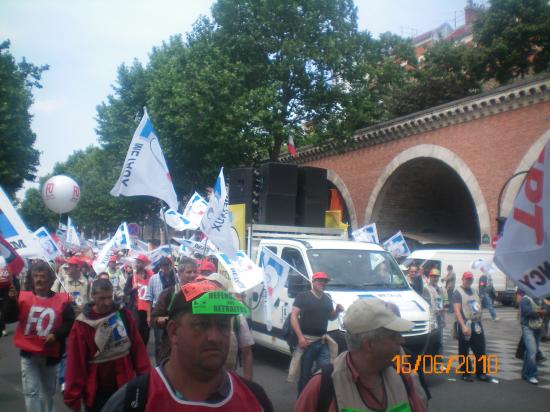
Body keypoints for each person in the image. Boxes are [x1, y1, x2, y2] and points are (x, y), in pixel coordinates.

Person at [101, 279, 273, 411]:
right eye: (201, 324)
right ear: (173, 332)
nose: (214, 337)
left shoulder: (256, 400)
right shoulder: (133, 401)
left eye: (222, 325)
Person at [295, 298, 428, 412]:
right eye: (394, 336)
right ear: (369, 345)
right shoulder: (322, 386)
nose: (402, 340)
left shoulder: (404, 377)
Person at [64, 279, 150, 411]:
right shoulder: (82, 324)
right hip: (97, 388)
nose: (107, 302)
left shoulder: (122, 314)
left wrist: (145, 377)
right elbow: (76, 362)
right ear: (93, 296)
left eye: (110, 297)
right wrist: (73, 396)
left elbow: (137, 347)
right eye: (102, 298)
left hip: (124, 381)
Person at [5, 260, 75, 412]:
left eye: (42, 276)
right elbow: (9, 317)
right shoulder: (22, 298)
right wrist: (10, 300)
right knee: (31, 392)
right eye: (35, 276)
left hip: (51, 355)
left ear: (50, 279)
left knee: (49, 392)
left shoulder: (62, 300)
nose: (39, 279)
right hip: (29, 355)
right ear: (31, 278)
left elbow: (70, 322)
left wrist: (56, 335)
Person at [290, 271, 344, 393]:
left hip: (322, 341)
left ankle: (316, 397)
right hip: (307, 341)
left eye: (325, 281)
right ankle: (302, 403)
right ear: (313, 282)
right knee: (304, 376)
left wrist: (337, 311)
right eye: (320, 281)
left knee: (324, 372)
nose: (323, 283)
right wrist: (300, 338)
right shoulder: (302, 296)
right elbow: (294, 317)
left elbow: (331, 317)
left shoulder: (327, 298)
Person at [207, 272, 255, 380]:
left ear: (223, 291)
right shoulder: (197, 311)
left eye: (215, 286)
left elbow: (247, 353)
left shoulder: (237, 316)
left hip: (227, 380)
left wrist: (249, 386)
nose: (211, 289)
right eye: (209, 285)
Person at [151, 258, 198, 363]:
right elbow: (154, 319)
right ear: (180, 274)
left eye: (195, 272)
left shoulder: (202, 295)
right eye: (189, 272)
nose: (193, 275)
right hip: (172, 348)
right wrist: (170, 320)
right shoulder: (169, 293)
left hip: (195, 348)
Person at [452, 271, 491, 382]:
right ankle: (465, 373)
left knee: (480, 348)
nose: (468, 281)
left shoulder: (474, 291)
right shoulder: (457, 292)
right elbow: (457, 311)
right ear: (462, 279)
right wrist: (463, 326)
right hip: (465, 323)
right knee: (464, 350)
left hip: (476, 323)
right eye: (467, 279)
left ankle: (481, 373)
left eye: (470, 279)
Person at [145, 257, 177, 365]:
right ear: (160, 267)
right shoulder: (153, 279)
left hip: (173, 311)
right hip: (158, 312)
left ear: (170, 266)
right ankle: (159, 365)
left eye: (167, 266)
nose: (165, 268)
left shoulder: (176, 277)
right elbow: (149, 297)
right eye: (163, 266)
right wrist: (149, 316)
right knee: (159, 341)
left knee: (172, 340)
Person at [124, 254, 153, 345]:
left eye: (140, 262)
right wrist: (133, 288)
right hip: (136, 307)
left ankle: (144, 347)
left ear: (144, 264)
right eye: (137, 262)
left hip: (148, 308)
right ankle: (137, 348)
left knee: (146, 329)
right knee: (137, 328)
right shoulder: (132, 277)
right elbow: (126, 291)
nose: (137, 264)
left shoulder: (151, 276)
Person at [519, 292, 547, 384]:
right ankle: (531, 374)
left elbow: (547, 310)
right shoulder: (526, 298)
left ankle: (525, 373)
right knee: (532, 351)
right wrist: (540, 312)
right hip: (527, 327)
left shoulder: (541, 298)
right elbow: (527, 312)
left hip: (538, 327)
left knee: (530, 352)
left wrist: (543, 311)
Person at [422, 268, 446, 359]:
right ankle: (427, 360)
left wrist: (443, 318)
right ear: (430, 277)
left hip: (438, 317)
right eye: (433, 276)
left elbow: (442, 305)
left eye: (436, 277)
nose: (435, 278)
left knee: (439, 340)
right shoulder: (426, 288)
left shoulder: (440, 290)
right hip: (430, 317)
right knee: (429, 339)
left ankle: (438, 360)